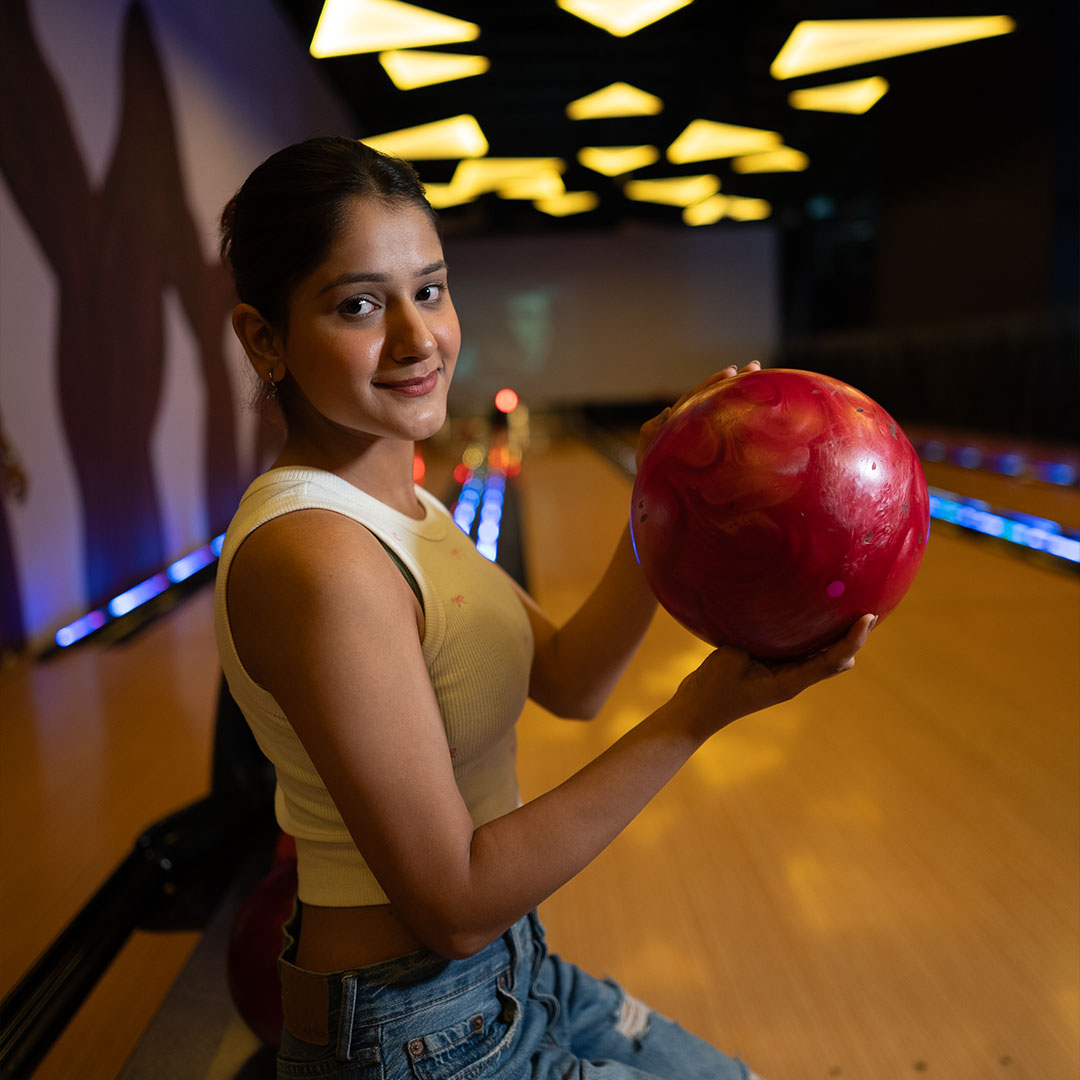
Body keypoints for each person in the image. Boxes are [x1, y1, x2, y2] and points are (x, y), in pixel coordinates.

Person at [215, 136, 874, 1080]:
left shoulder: (407, 508)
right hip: (414, 1030)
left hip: (513, 975)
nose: (417, 338)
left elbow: (571, 678)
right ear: (263, 337)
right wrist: (701, 710)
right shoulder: (316, 557)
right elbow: (453, 901)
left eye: (430, 290)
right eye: (359, 304)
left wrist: (666, 492)